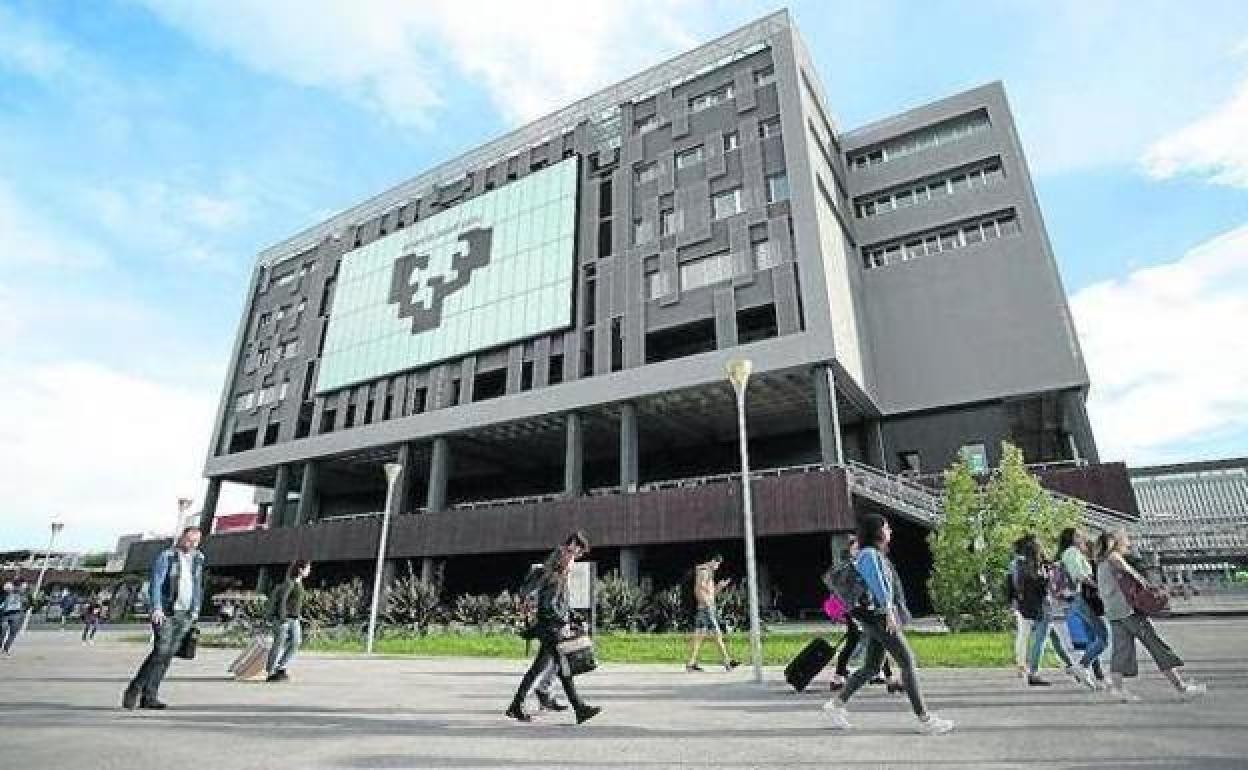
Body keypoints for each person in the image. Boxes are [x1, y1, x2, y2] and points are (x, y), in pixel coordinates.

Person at [823, 514, 954, 735]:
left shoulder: (870, 554)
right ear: (877, 531)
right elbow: (879, 585)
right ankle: (925, 719)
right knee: (907, 662)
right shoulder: (869, 555)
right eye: (886, 527)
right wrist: (889, 612)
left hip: (875, 618)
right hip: (879, 618)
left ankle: (836, 705)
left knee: (872, 667)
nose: (890, 531)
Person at [1098, 529, 1206, 703]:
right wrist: (1155, 590)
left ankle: (1118, 689)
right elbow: (1137, 578)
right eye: (1126, 539)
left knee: (1121, 650)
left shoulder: (1102, 561)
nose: (1129, 542)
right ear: (1118, 541)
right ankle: (1182, 688)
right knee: (1156, 645)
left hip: (1114, 612)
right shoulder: (1115, 557)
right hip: (1128, 612)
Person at [506, 531, 601, 725]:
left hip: (549, 626)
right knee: (563, 666)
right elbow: (549, 605)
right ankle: (579, 708)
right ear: (568, 549)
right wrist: (562, 622)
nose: (575, 559)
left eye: (577, 555)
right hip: (551, 628)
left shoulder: (558, 573)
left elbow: (559, 603)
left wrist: (572, 616)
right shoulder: (554, 573)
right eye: (575, 553)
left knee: (539, 668)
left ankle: (517, 704)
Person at [122, 526, 205, 710]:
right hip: (167, 611)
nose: (192, 544)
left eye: (196, 541)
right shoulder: (167, 556)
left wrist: (196, 608)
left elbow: (197, 584)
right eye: (189, 540)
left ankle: (150, 696)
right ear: (182, 538)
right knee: (160, 652)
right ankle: (135, 688)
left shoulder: (198, 558)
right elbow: (157, 583)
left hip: (186, 613)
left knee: (167, 656)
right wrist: (157, 607)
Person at [829, 536, 903, 694]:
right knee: (854, 642)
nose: (859, 551)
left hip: (867, 611)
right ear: (850, 550)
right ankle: (838, 678)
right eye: (856, 548)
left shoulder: (864, 564)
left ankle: (887, 678)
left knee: (878, 641)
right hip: (854, 611)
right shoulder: (847, 567)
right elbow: (843, 592)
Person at [1019, 535, 1092, 688]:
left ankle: (1070, 666)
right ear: (1037, 552)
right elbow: (1046, 588)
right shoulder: (1037, 571)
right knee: (1041, 640)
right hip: (1042, 608)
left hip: (1032, 609)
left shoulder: (1025, 568)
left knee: (1054, 639)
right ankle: (1033, 673)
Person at [1058, 527, 1108, 687]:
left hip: (1078, 599)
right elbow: (1079, 575)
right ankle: (1081, 666)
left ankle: (1098, 677)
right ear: (1072, 538)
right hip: (1081, 598)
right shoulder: (1072, 552)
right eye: (1078, 535)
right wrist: (1098, 587)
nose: (1082, 537)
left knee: (1092, 639)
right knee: (1103, 637)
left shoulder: (1073, 553)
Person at [517, 563, 567, 713]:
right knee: (548, 664)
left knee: (552, 662)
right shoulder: (538, 589)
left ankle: (542, 694)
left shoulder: (532, 589)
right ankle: (531, 697)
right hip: (546, 629)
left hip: (545, 629)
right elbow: (545, 608)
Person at [686, 554, 740, 672]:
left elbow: (710, 593)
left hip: (704, 608)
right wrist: (707, 604)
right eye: (717, 564)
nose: (717, 567)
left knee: (699, 637)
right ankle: (727, 662)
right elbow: (699, 589)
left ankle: (691, 663)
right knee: (717, 635)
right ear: (712, 561)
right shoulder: (704, 571)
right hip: (707, 609)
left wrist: (719, 587)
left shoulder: (707, 572)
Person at [267, 560, 311, 682]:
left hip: (294, 619)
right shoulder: (290, 583)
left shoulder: (299, 584)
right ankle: (271, 671)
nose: (309, 571)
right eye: (308, 568)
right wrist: (283, 618)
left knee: (296, 642)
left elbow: (294, 603)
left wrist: (298, 615)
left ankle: (281, 667)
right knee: (278, 644)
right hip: (283, 619)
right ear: (300, 570)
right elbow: (283, 601)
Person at [1, 581, 27, 657]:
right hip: (5, 615)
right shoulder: (4, 594)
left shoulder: (20, 593)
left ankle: (6, 649)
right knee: (3, 631)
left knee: (13, 633)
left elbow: (24, 598)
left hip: (16, 614)